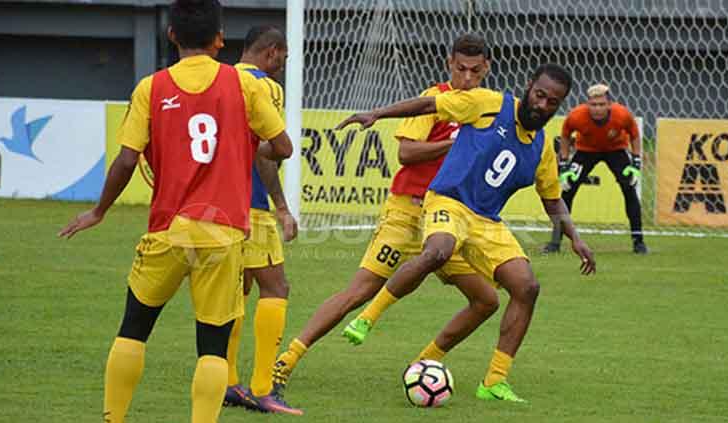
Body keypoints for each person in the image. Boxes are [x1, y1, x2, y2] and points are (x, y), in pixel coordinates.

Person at [58, 1, 292, 422]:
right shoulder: (244, 85)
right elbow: (283, 147)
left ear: (171, 36)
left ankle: (113, 418)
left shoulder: (151, 86)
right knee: (213, 347)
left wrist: (99, 211)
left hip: (168, 229)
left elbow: (127, 160)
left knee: (133, 329)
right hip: (222, 234)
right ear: (220, 38)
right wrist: (245, 144)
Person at [337, 63, 596, 403]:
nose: (543, 105)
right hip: (448, 201)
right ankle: (367, 318)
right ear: (528, 86)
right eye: (540, 95)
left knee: (527, 287)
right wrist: (376, 114)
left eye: (553, 102)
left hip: (487, 221)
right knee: (438, 251)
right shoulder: (489, 104)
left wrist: (574, 237)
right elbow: (429, 105)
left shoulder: (543, 147)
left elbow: (552, 199)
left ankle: (493, 381)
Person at [272, 33, 499, 400]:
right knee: (360, 290)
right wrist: (456, 143)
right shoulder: (436, 98)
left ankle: (423, 364)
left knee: (487, 299)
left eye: (475, 70)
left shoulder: (489, 108)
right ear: (449, 65)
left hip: (448, 219)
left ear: (487, 68)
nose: (468, 78)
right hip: (407, 213)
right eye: (461, 69)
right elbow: (407, 154)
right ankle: (287, 360)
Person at [221, 26, 302, 415]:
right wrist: (281, 206)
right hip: (249, 206)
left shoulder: (220, 78)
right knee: (276, 288)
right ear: (272, 52)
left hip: (214, 207)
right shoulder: (265, 87)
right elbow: (264, 153)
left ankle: (228, 383)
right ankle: (263, 388)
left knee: (238, 290)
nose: (283, 66)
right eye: (283, 58)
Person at [543, 83, 647, 254]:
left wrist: (636, 162)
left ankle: (638, 241)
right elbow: (565, 135)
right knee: (566, 191)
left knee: (629, 189)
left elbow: (634, 135)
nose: (597, 109)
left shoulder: (622, 114)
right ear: (587, 104)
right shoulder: (576, 116)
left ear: (609, 104)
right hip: (586, 151)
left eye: (601, 105)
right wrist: (564, 163)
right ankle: (555, 241)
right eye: (593, 105)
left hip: (616, 149)